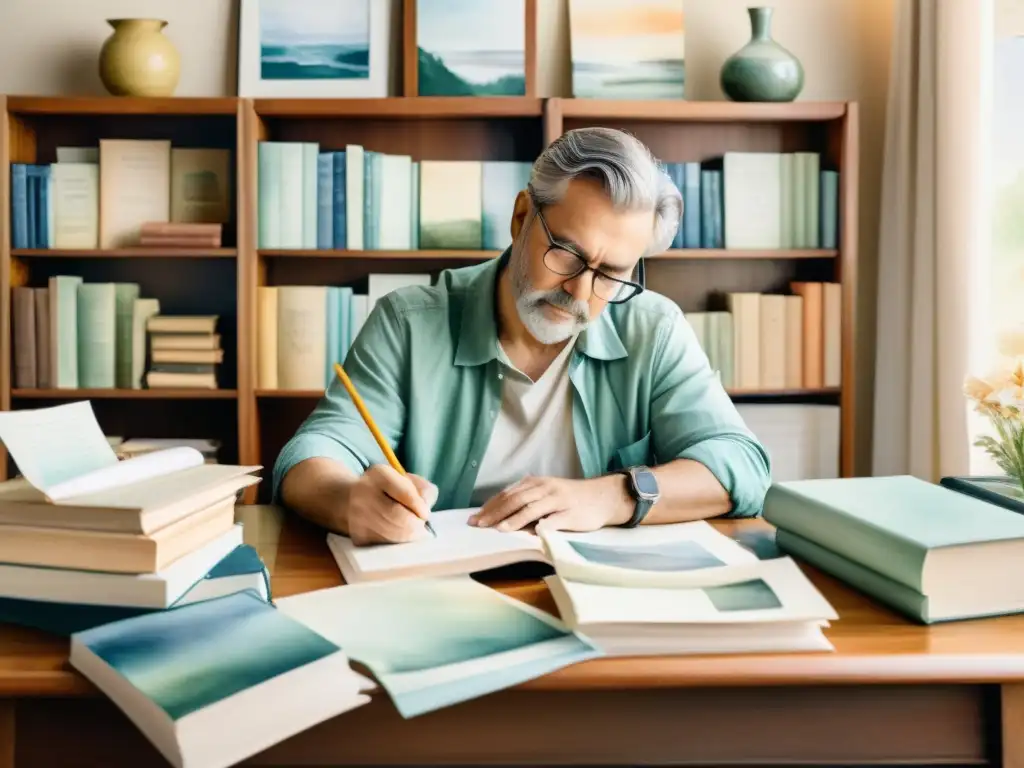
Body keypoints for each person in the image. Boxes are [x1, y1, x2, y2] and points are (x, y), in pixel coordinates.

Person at [273, 127, 772, 545]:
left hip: (597, 597)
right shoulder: (409, 322)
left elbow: (740, 465)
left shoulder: (653, 327)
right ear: (520, 218)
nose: (579, 290)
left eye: (611, 273)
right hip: (444, 588)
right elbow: (313, 453)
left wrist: (613, 495)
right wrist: (348, 502)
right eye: (567, 254)